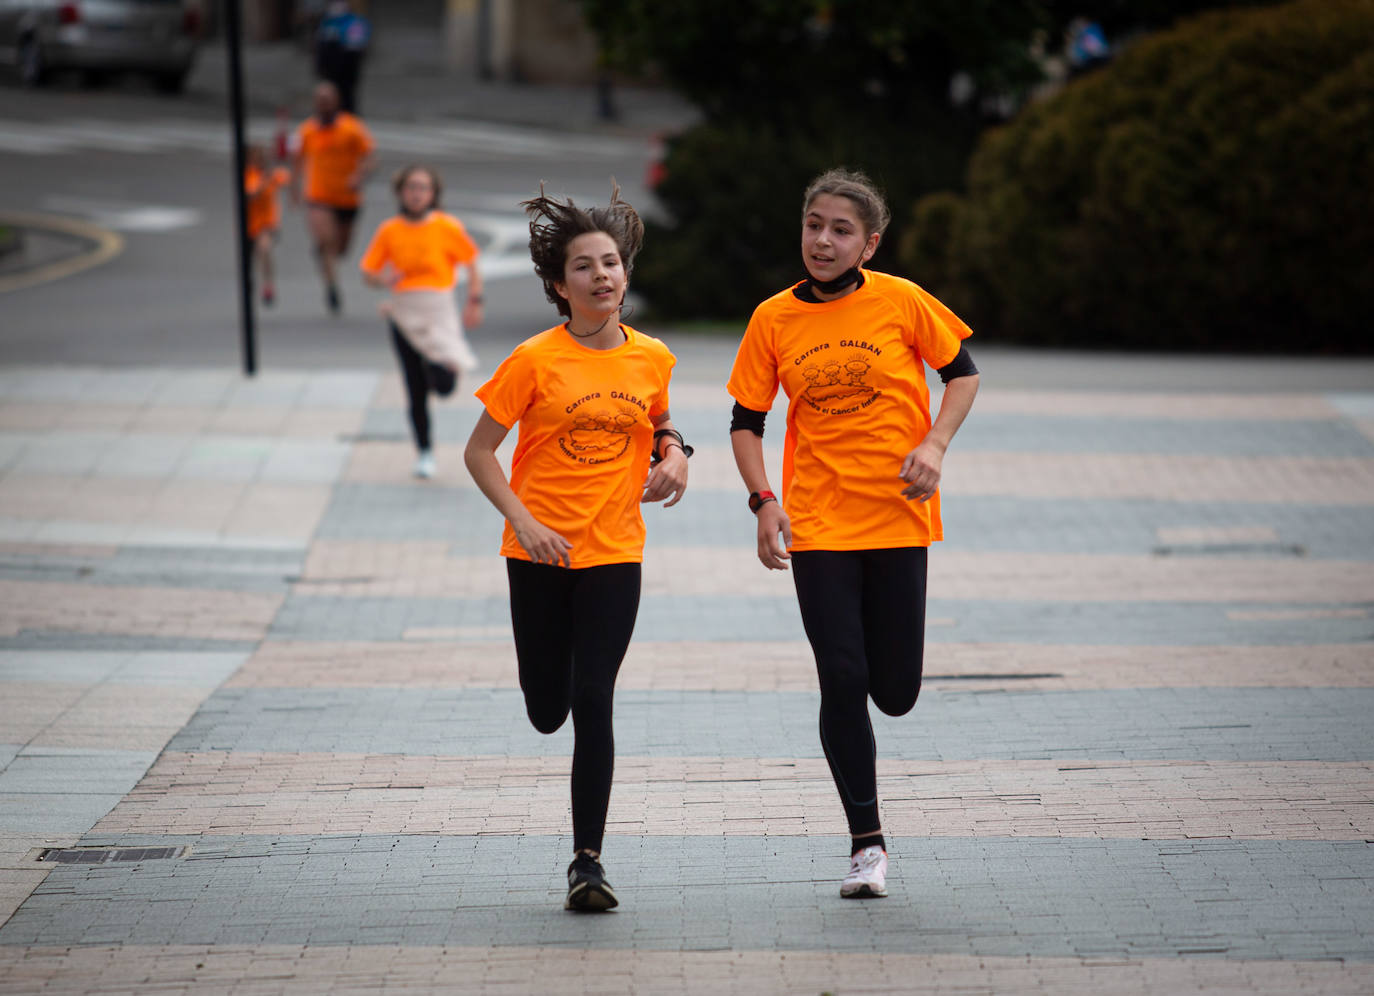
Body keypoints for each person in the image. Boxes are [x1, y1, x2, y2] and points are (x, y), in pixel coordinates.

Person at [727, 168, 980, 900]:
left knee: (895, 692)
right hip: (820, 523)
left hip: (899, 516)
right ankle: (865, 844)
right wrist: (763, 502)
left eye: (841, 231)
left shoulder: (901, 301)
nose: (823, 241)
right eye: (814, 225)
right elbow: (747, 422)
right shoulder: (773, 318)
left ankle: (873, 774)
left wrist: (933, 446)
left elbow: (962, 375)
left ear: (869, 243)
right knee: (841, 675)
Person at [464, 183, 690, 912]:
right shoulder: (534, 360)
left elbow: (656, 417)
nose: (603, 275)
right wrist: (523, 522)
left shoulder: (652, 355)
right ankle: (545, 690)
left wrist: (676, 452)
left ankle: (587, 863)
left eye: (612, 263)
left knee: (595, 698)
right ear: (561, 286)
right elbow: (479, 453)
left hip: (615, 552)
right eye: (586, 267)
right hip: (537, 555)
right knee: (546, 709)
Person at [359, 165, 484, 479]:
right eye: (411, 187)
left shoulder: (446, 226)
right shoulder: (389, 230)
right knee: (414, 388)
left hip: (438, 310)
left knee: (443, 383)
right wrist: (383, 278)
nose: (416, 193)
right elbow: (369, 272)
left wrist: (474, 301)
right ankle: (425, 452)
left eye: (423, 187)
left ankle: (439, 372)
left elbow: (471, 261)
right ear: (401, 191)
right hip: (403, 312)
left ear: (433, 194)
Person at [291, 80, 375, 315]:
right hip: (318, 195)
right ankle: (331, 286)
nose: (323, 104)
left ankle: (325, 256)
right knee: (326, 241)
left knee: (341, 249)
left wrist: (360, 176)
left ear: (336, 102)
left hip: (348, 198)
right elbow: (297, 162)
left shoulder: (352, 128)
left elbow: (368, 156)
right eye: (319, 100)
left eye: (328, 100)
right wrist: (294, 189)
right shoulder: (306, 130)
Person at [243, 144, 290, 307]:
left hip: (267, 224)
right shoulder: (249, 175)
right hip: (249, 225)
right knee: (248, 258)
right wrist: (265, 182)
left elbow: (287, 178)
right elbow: (251, 194)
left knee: (264, 249)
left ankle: (268, 285)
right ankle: (249, 282)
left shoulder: (272, 174)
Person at [314, 0, 370, 114]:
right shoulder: (327, 22)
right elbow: (320, 46)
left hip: (346, 72)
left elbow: (356, 49)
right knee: (328, 95)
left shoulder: (354, 23)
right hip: (329, 71)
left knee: (346, 99)